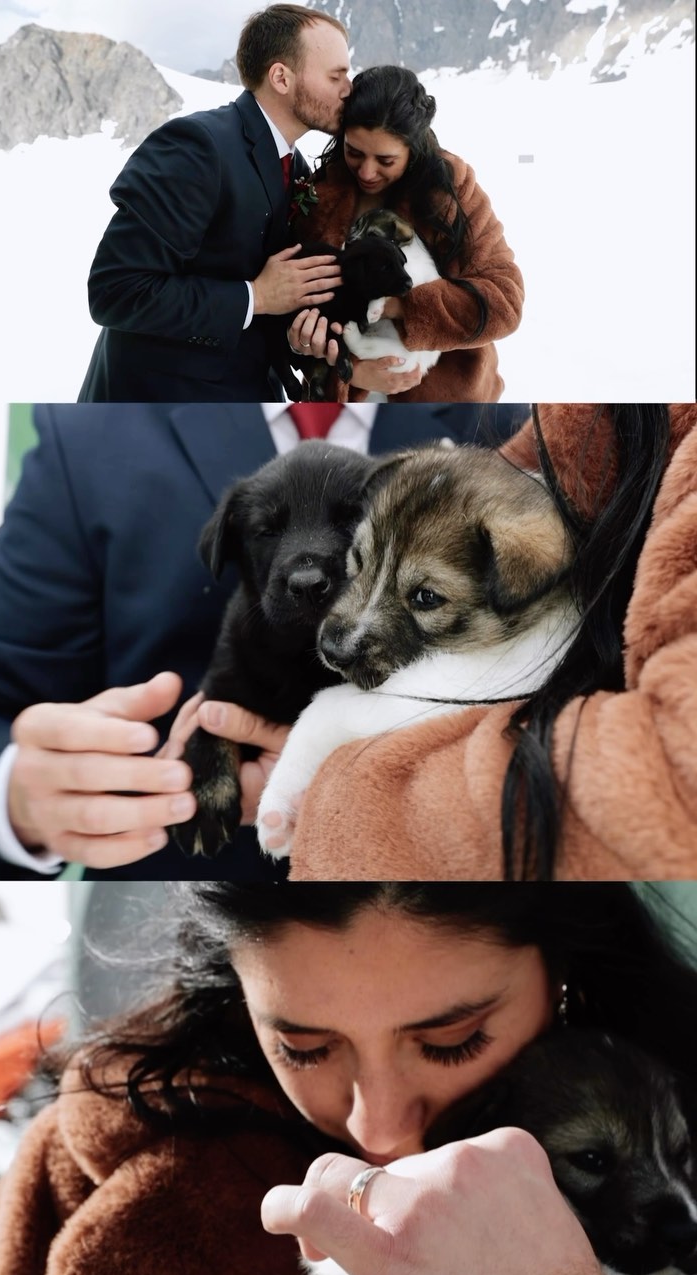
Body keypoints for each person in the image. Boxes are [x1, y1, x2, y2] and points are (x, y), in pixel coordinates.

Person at [0, 882, 695, 1275]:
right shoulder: (185, 1191)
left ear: (561, 976)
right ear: (240, 1004)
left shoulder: (654, 1077)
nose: (376, 1128)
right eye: (305, 1048)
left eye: (451, 1041)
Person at [0, 400, 527, 882]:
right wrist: (14, 795)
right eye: (269, 531)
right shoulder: (84, 438)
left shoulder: (516, 426)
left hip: (446, 883)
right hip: (185, 890)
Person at [287, 402, 697, 880]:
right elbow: (494, 482)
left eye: (425, 597)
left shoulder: (529, 562)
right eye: (361, 557)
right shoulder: (570, 430)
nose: (346, 636)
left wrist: (347, 794)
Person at [77, 5, 351, 402]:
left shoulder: (297, 167)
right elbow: (115, 291)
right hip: (152, 414)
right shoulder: (198, 147)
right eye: (336, 75)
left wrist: (298, 336)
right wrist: (256, 296)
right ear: (281, 77)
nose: (349, 88)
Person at [287, 66, 524, 402]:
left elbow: (505, 301)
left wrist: (400, 307)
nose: (367, 172)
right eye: (354, 152)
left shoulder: (451, 190)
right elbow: (302, 315)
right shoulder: (322, 195)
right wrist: (350, 369)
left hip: (443, 406)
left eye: (386, 159)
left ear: (413, 148)